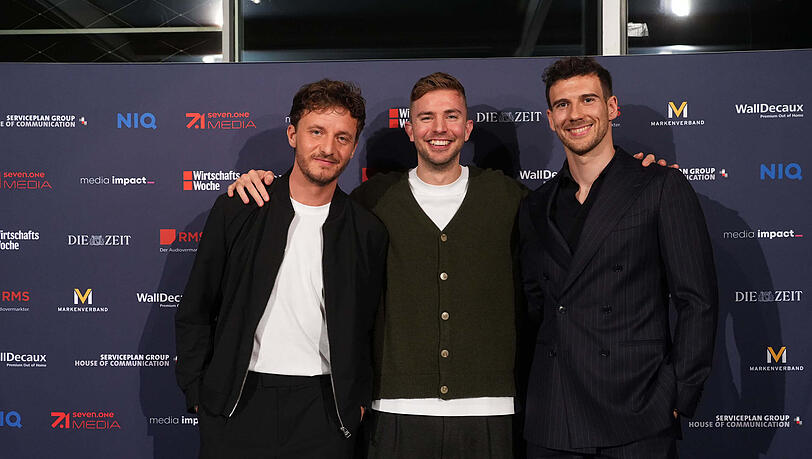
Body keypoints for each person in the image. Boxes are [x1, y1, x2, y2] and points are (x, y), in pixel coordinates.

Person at [227, 72, 671, 458]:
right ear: (410, 129)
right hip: (394, 414)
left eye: (451, 116)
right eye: (426, 117)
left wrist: (633, 174)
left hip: (491, 415)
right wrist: (262, 179)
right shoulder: (369, 202)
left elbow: (584, 205)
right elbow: (310, 197)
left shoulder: (512, 199)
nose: (439, 128)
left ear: (467, 126)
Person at [174, 79, 388, 459]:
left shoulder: (367, 230)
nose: (327, 148)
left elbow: (370, 327)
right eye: (316, 132)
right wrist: (198, 393)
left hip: (325, 410)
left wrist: (357, 401)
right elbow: (196, 308)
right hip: (237, 404)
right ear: (293, 134)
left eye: (342, 137)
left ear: (354, 148)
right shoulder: (240, 207)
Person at [518, 57, 718, 458]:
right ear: (550, 118)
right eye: (562, 105)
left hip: (636, 411)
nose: (575, 114)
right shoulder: (535, 206)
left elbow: (697, 300)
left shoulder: (659, 186)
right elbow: (533, 306)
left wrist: (679, 392)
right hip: (553, 417)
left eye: (587, 100)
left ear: (611, 108)